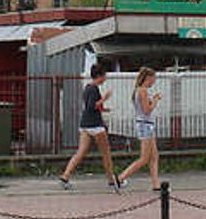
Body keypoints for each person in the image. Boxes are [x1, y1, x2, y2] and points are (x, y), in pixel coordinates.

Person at [59, 63, 120, 191]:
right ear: (99, 76)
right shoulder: (94, 89)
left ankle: (65, 176)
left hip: (85, 124)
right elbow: (92, 106)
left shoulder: (87, 87)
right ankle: (111, 181)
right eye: (104, 76)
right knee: (106, 153)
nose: (105, 78)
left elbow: (90, 106)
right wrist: (104, 98)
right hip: (95, 125)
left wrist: (103, 109)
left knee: (81, 152)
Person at [117, 67, 162, 190]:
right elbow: (147, 110)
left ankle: (156, 184)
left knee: (154, 156)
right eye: (153, 79)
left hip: (145, 124)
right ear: (148, 78)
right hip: (145, 125)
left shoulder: (139, 90)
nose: (154, 81)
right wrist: (155, 101)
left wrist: (152, 100)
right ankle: (120, 178)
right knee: (145, 158)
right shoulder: (143, 91)